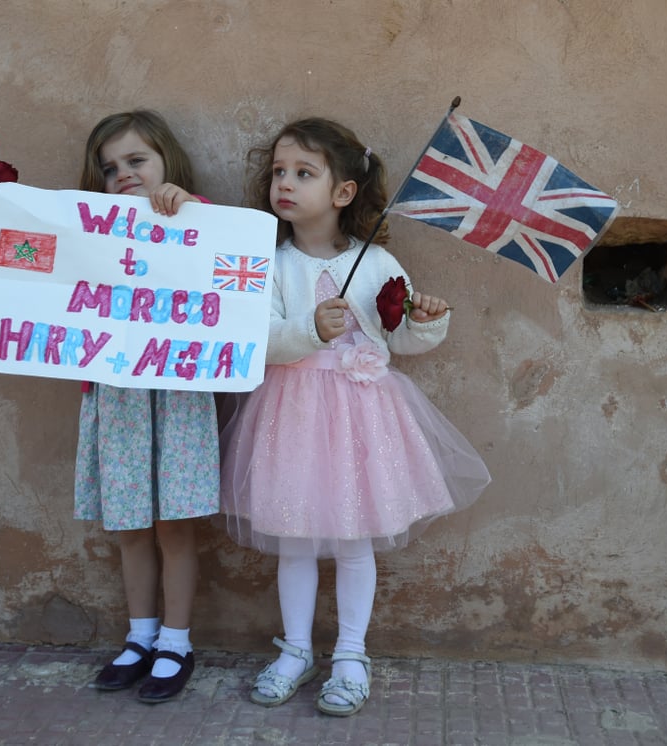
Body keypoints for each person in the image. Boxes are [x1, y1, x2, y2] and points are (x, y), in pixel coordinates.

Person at [220, 117, 491, 716]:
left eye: (303, 173)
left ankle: (349, 653)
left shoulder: (377, 265)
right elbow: (257, 337)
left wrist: (424, 320)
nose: (284, 184)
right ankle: (294, 649)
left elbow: (401, 342)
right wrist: (306, 329)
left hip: (362, 419)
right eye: (279, 173)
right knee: (293, 538)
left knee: (351, 539)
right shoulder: (268, 262)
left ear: (343, 193)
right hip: (290, 414)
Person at [74, 110, 219, 704]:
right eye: (110, 169)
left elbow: (225, 257)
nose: (123, 175)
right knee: (130, 524)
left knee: (174, 525)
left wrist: (189, 207)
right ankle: (140, 637)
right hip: (118, 396)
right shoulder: (92, 229)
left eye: (136, 160)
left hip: (180, 392)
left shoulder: (196, 216)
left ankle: (177, 642)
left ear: (167, 163)